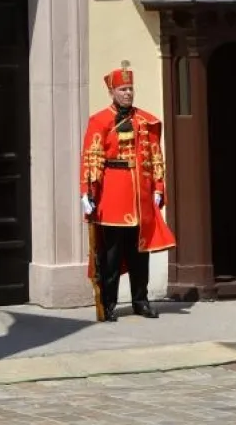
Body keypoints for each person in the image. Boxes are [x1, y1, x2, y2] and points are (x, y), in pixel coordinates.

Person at [80, 63, 175, 322]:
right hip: (112, 194)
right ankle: (109, 303)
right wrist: (87, 193)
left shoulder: (144, 120)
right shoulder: (99, 120)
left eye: (130, 88)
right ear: (112, 92)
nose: (128, 93)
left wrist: (158, 187)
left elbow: (156, 157)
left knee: (140, 253)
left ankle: (140, 301)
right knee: (111, 255)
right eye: (123, 89)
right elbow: (91, 157)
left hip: (140, 196)